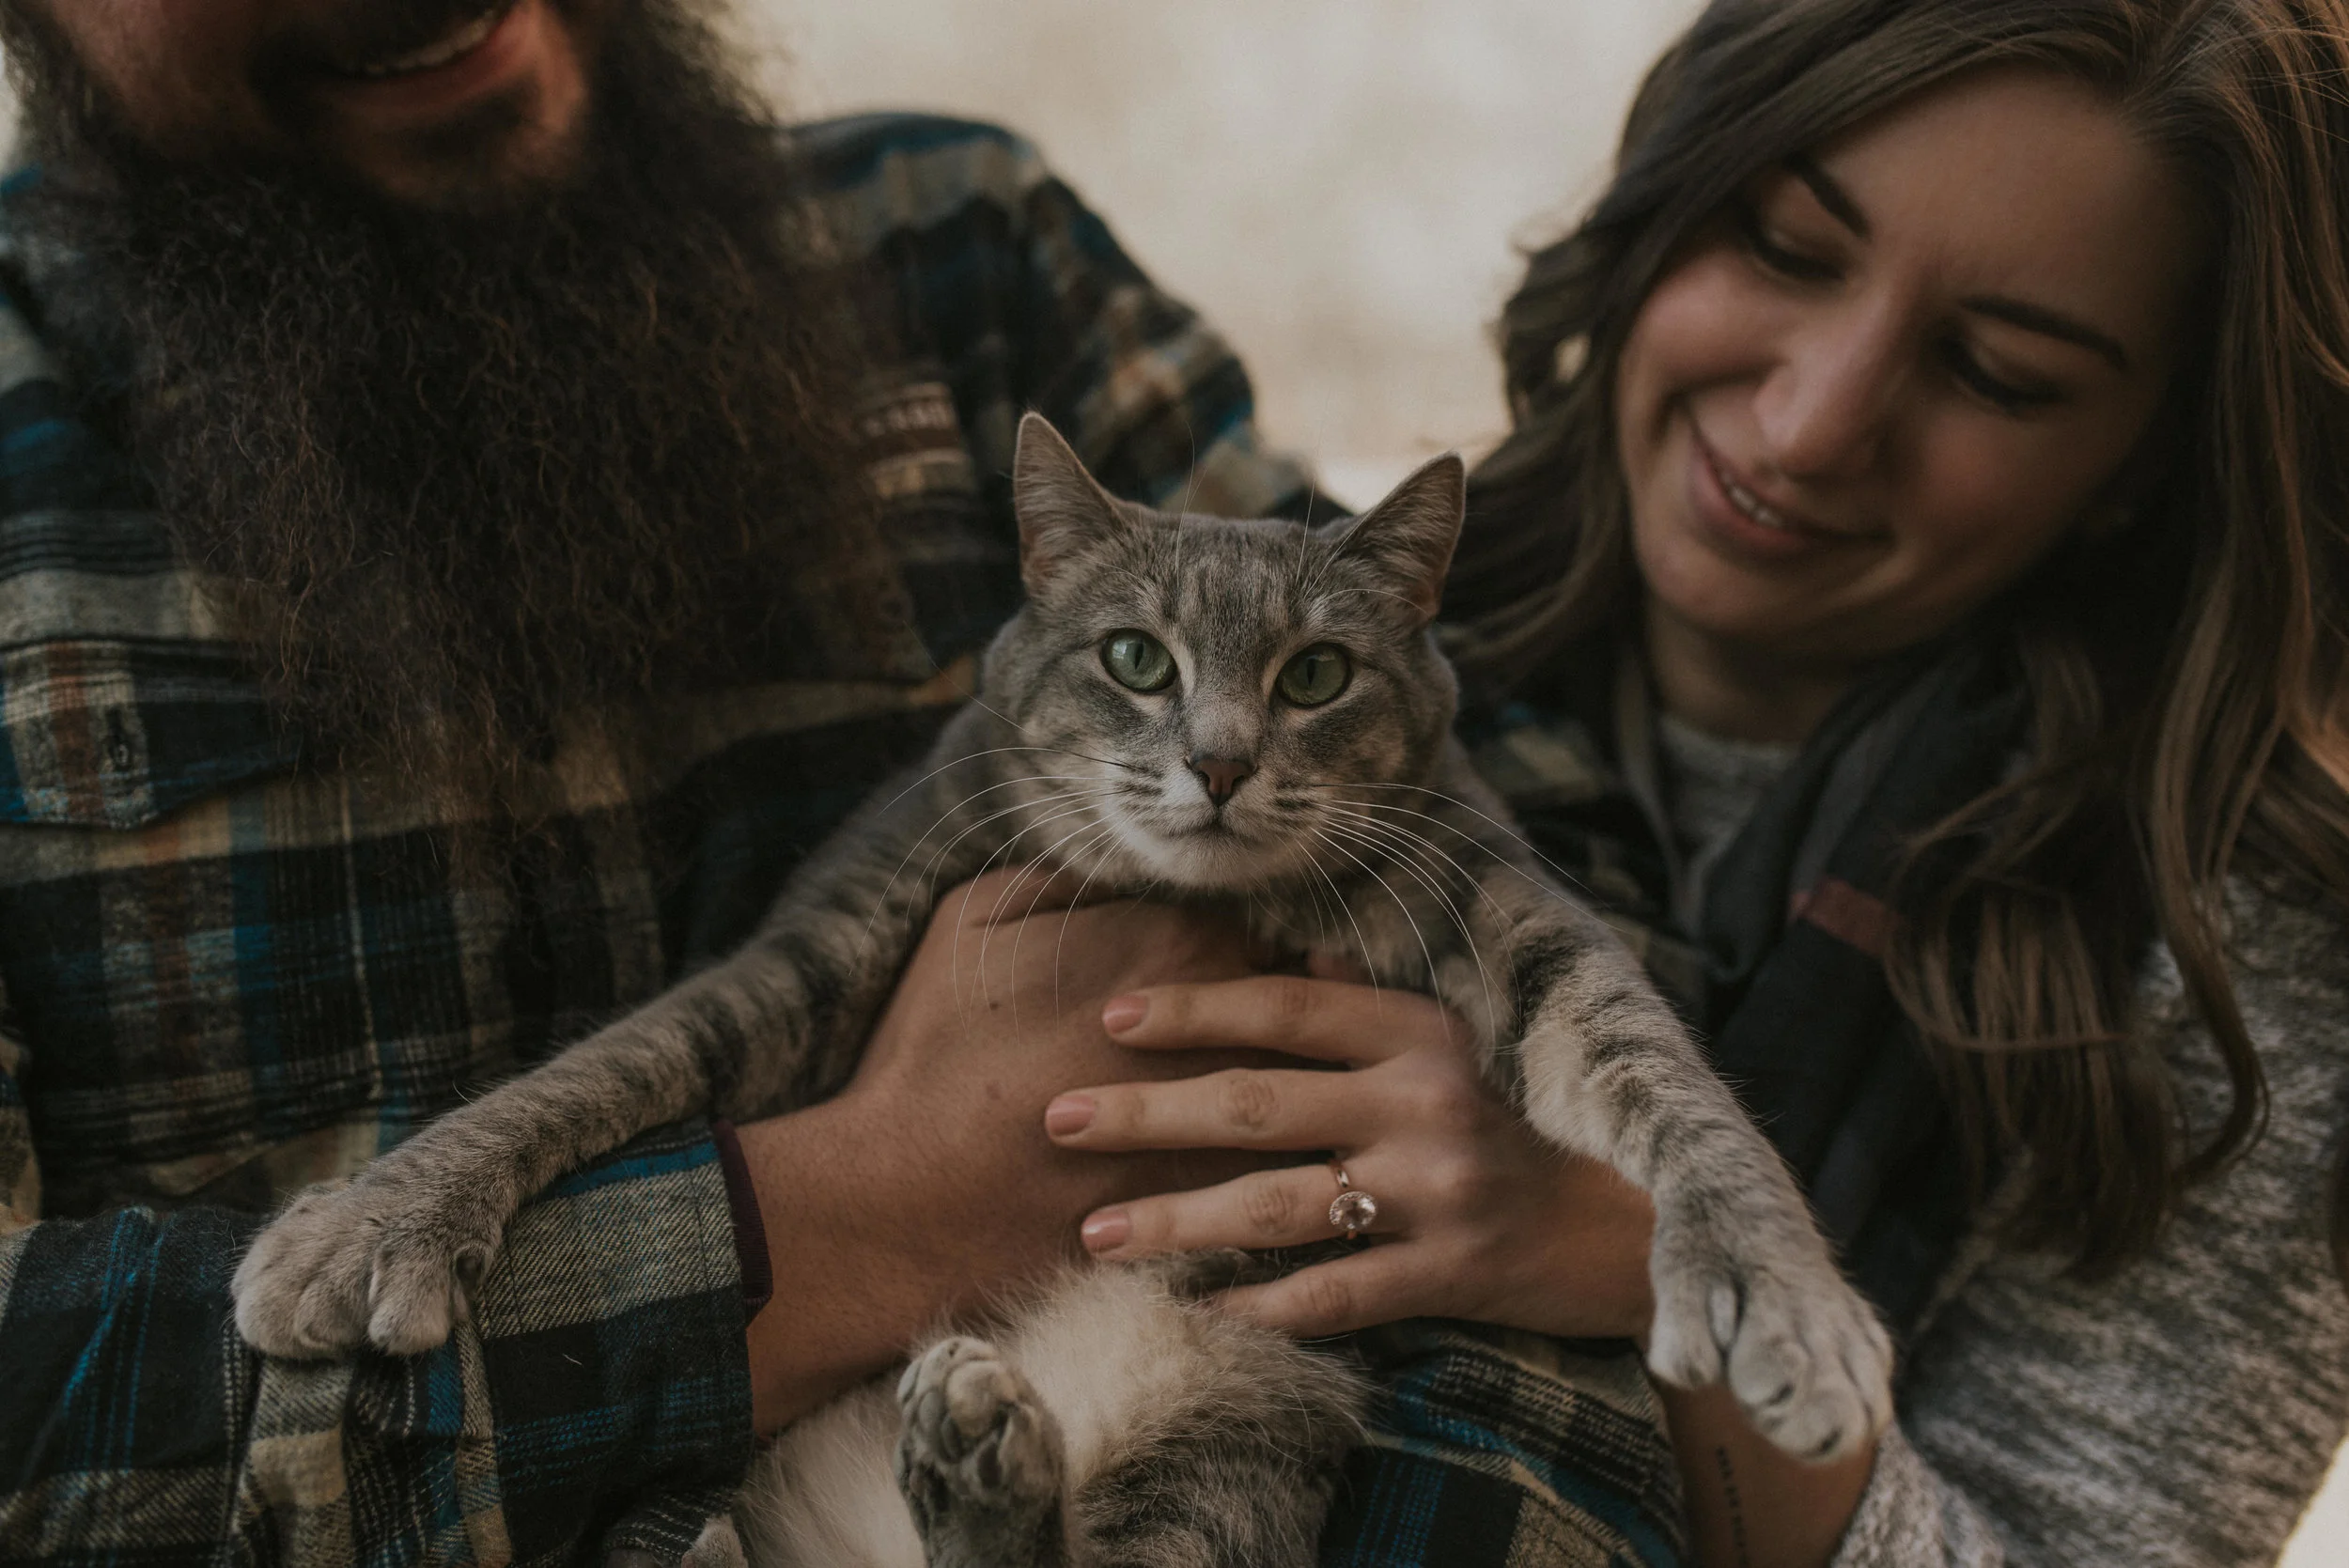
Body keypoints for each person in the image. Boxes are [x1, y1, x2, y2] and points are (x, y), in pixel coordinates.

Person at [1021, 1, 2349, 1564]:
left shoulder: (2248, 974)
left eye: (1996, 372)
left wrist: (1643, 1252)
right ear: (1661, 204)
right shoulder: (1311, 640)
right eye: (1786, 250)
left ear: (2150, 462)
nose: (1810, 424)